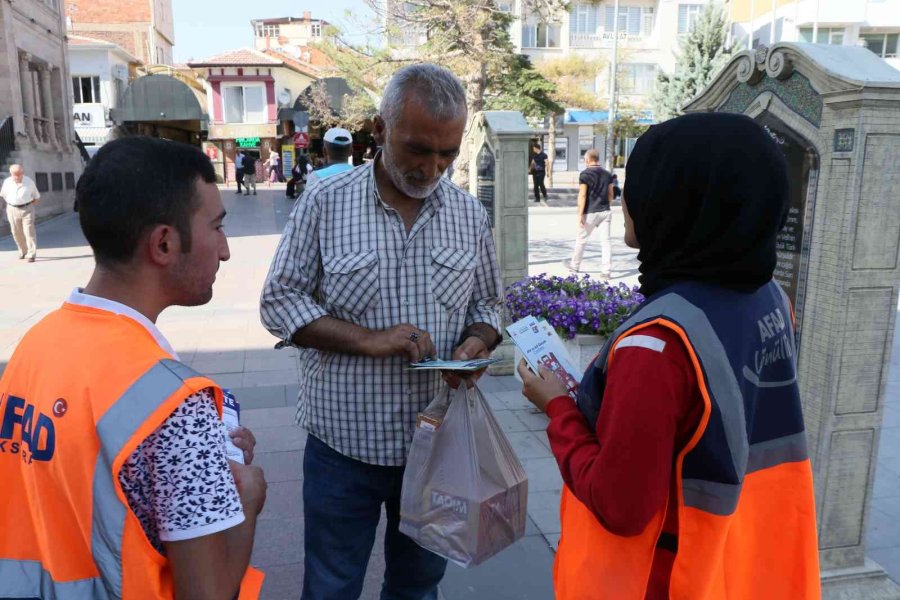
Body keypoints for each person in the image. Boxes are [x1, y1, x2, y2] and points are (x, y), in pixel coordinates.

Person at [518, 113, 820, 599]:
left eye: (639, 185)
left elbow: (621, 506)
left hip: (663, 578)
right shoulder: (770, 299)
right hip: (746, 564)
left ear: (678, 203)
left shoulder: (656, 344)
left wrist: (556, 406)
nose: (624, 201)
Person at [260, 63, 502, 600]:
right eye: (418, 149)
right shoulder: (326, 201)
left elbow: (489, 301)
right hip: (342, 444)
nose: (432, 167)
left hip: (435, 444)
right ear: (379, 129)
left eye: (447, 154)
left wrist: (479, 341)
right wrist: (369, 340)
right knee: (331, 586)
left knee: (418, 587)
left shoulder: (468, 214)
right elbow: (279, 300)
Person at [0, 137, 268, 599]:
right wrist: (246, 501)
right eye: (217, 227)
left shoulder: (35, 344)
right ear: (163, 243)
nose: (224, 250)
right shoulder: (177, 406)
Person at [562, 148, 614, 278]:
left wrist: (580, 214)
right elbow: (611, 194)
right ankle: (606, 271)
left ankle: (575, 266)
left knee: (581, 240)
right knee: (606, 242)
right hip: (605, 211)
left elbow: (582, 195)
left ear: (587, 160)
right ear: (597, 159)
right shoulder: (608, 174)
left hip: (590, 212)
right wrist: (606, 204)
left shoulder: (585, 174)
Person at [1, 164, 40, 262]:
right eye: (15, 174)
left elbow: (36, 197)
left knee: (29, 231)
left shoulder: (29, 182)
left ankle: (31, 254)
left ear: (23, 173)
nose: (17, 176)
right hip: (12, 209)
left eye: (19, 174)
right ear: (11, 174)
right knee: (16, 232)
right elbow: (3, 196)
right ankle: (23, 251)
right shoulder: (7, 182)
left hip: (27, 209)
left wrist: (27, 205)